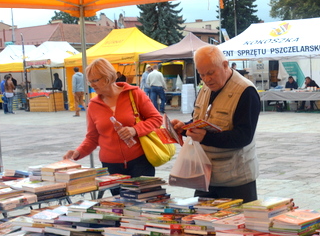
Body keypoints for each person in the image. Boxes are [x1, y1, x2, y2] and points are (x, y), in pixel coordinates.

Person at [171, 45, 261, 202]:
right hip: (205, 176)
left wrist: (205, 137)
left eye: (211, 73)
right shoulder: (205, 89)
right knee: (200, 217)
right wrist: (184, 128)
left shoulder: (246, 91)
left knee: (237, 218)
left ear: (225, 65)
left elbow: (243, 137)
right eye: (202, 74)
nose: (206, 79)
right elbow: (200, 121)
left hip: (236, 180)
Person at [63, 58, 162, 178]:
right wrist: (78, 152)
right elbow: (92, 138)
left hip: (140, 162)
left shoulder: (134, 94)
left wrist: (135, 130)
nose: (91, 85)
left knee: (145, 191)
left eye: (95, 80)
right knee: (116, 192)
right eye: (89, 82)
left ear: (108, 77)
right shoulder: (93, 105)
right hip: (111, 166)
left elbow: (156, 119)